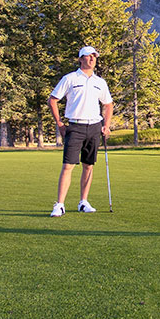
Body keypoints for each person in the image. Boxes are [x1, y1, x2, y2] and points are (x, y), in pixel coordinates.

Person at [48, 46, 113, 216]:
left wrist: (106, 125)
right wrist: (60, 123)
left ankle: (83, 202)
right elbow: (53, 100)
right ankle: (60, 204)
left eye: (94, 56)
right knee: (68, 166)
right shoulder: (69, 79)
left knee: (88, 166)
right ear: (80, 59)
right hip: (75, 126)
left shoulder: (100, 82)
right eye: (88, 56)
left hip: (94, 126)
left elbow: (108, 104)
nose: (92, 59)